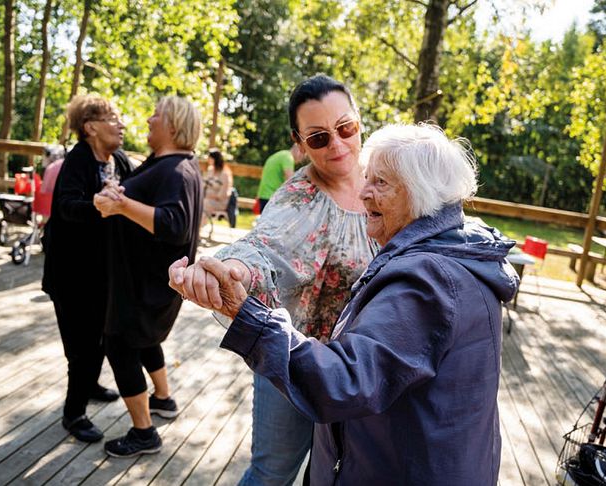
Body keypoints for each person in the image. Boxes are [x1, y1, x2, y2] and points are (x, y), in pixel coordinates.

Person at [170, 123, 520, 485]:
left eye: (380, 183)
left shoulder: (429, 280)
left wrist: (248, 316)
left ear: (421, 194)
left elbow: (345, 382)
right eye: (367, 178)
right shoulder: (451, 254)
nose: (364, 193)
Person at [168, 75, 378, 485]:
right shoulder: (300, 197)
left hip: (364, 367)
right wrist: (227, 270)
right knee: (272, 473)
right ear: (299, 142)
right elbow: (265, 247)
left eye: (346, 128)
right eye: (318, 138)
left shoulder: (388, 181)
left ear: (359, 122)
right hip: (294, 359)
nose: (336, 144)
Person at [93, 95, 203, 457]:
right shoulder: (165, 163)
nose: (148, 119)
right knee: (142, 340)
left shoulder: (178, 171)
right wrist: (118, 195)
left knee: (120, 344)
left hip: (146, 285)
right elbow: (145, 199)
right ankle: (163, 398)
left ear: (172, 125)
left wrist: (122, 205)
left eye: (156, 114)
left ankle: (144, 433)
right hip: (139, 281)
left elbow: (174, 224)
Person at [41, 95, 133, 443]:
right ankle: (74, 414)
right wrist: (97, 205)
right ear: (90, 127)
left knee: (96, 338)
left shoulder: (119, 160)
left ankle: (89, 384)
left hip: (102, 272)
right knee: (82, 347)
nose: (121, 125)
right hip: (70, 275)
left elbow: (138, 186)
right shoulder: (77, 162)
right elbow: (65, 207)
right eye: (113, 118)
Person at [256, 144, 303, 213]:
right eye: (303, 154)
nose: (302, 159)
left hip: (264, 194)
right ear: (299, 151)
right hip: (271, 196)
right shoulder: (288, 158)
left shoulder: (282, 154)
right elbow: (291, 180)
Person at [202, 149, 233, 216]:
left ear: (215, 159)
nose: (208, 160)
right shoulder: (210, 170)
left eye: (210, 158)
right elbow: (204, 184)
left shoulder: (225, 174)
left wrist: (208, 196)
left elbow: (223, 194)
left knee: (203, 204)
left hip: (219, 202)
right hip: (206, 199)